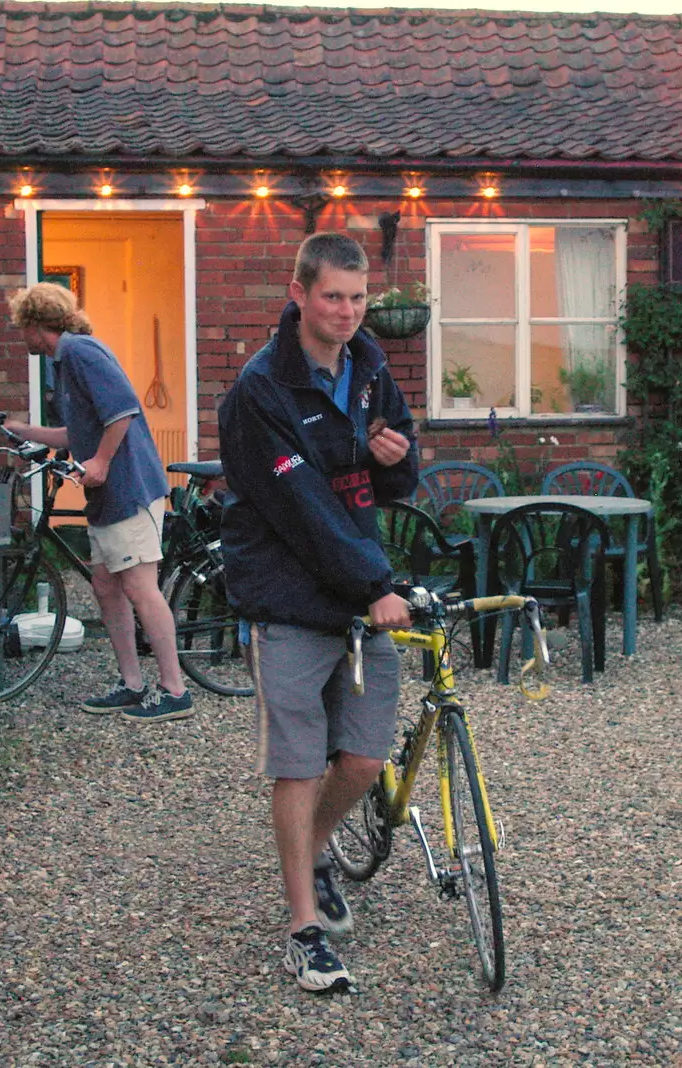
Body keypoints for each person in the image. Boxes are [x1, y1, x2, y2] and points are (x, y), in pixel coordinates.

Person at [217, 232, 419, 993]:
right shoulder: (260, 391)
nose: (346, 312)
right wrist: (374, 586)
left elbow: (392, 476)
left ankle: (315, 849)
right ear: (298, 293)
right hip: (288, 599)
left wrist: (400, 461)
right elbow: (301, 511)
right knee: (299, 765)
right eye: (332, 296)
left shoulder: (368, 365)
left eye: (358, 298)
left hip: (361, 591)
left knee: (366, 758)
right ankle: (304, 928)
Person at [3, 282, 194, 723]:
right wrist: (21, 430)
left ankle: (174, 690)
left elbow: (123, 411)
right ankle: (131, 684)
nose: (21, 337)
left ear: (38, 325)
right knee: (106, 586)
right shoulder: (63, 363)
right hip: (105, 496)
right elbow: (76, 434)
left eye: (22, 328)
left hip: (129, 488)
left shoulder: (83, 353)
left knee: (140, 588)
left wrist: (103, 462)